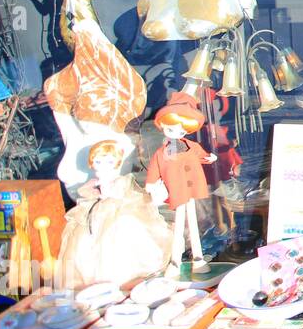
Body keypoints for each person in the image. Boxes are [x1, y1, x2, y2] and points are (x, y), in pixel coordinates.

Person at [53, 140, 172, 289]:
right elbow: (83, 191)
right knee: (86, 241)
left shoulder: (121, 180)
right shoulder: (95, 181)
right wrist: (95, 191)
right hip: (96, 214)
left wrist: (106, 191)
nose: (103, 166)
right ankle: (93, 278)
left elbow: (120, 192)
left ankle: (123, 277)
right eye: (98, 162)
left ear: (117, 163)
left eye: (109, 162)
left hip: (117, 212)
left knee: (118, 236)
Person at [145, 92, 218, 275]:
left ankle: (198, 257)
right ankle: (175, 260)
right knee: (179, 226)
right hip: (177, 190)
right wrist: (151, 185)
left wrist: (210, 158)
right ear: (162, 126)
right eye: (172, 129)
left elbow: (202, 156)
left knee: (193, 223)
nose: (177, 134)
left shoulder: (191, 146)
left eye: (182, 131)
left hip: (192, 189)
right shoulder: (162, 152)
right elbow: (154, 170)